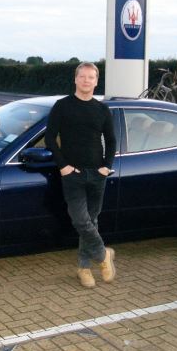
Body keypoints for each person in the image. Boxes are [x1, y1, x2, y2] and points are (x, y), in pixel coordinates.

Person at [45, 62, 116, 288]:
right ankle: (103, 255)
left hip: (97, 174)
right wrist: (63, 166)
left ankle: (84, 268)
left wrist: (106, 167)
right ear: (75, 79)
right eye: (82, 76)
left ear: (96, 81)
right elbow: (50, 138)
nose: (86, 80)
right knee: (80, 220)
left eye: (90, 77)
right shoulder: (62, 106)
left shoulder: (102, 109)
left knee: (91, 221)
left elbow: (111, 141)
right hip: (72, 175)